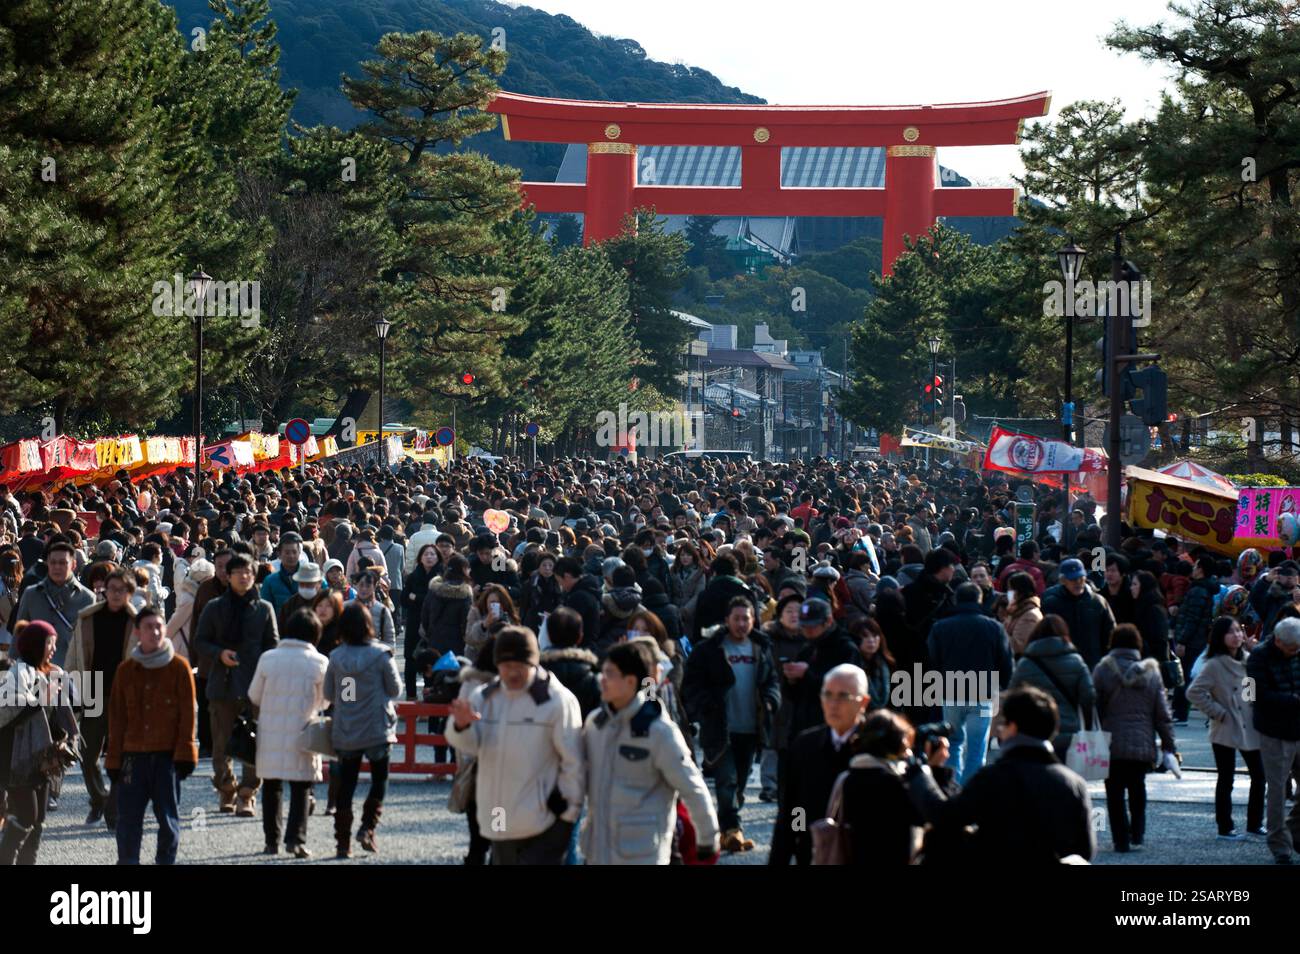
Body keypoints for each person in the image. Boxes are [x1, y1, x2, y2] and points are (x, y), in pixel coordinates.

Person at [446, 626, 584, 865]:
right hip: (498, 815)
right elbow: (471, 747)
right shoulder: (484, 696)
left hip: (541, 818)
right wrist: (461, 726)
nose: (511, 673)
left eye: (519, 666)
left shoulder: (557, 701)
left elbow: (574, 762)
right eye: (505, 666)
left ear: (533, 663)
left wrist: (567, 816)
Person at [920, 686, 1096, 863]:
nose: (997, 730)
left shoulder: (992, 778)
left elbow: (947, 817)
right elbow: (1085, 850)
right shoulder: (1073, 784)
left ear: (1013, 728)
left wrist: (928, 771)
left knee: (939, 838)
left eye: (1002, 724)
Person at [581, 640, 718, 865]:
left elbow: (691, 787)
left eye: (610, 674)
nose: (601, 679)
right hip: (597, 852)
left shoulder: (659, 731)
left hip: (642, 853)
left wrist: (707, 839)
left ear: (631, 681)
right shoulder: (596, 724)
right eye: (602, 672)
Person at [681, 596, 780, 853]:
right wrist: (704, 707)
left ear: (753, 620)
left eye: (746, 618)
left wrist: (770, 701)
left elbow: (772, 682)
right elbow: (691, 684)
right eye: (736, 618)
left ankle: (727, 826)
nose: (741, 623)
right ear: (726, 620)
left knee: (740, 783)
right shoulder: (710, 649)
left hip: (751, 727)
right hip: (720, 727)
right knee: (726, 781)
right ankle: (731, 830)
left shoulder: (761, 647)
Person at [104, 607, 197, 865]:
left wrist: (186, 753)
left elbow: (188, 715)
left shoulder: (179, 667)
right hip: (133, 758)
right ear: (137, 632)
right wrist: (113, 759)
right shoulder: (125, 670)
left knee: (168, 821)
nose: (155, 632)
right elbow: (117, 718)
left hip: (166, 757)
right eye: (148, 627)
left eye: (159, 626)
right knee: (128, 821)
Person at [194, 552, 278, 816]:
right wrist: (219, 653)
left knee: (256, 742)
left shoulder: (264, 608)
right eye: (238, 572)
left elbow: (273, 644)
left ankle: (247, 793)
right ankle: (226, 788)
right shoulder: (215, 607)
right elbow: (200, 641)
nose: (244, 577)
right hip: (222, 682)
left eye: (249, 572)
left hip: (255, 684)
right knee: (220, 743)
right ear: (228, 576)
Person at [248, 608, 329, 858]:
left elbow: (254, 695)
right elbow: (325, 701)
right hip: (304, 731)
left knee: (272, 787)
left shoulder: (268, 658)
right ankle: (296, 839)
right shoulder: (319, 662)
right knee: (301, 787)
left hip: (271, 730)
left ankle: (271, 841)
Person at [324, 602, 402, 858]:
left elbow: (329, 694)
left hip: (347, 727)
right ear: (368, 625)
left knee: (347, 784)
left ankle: (342, 843)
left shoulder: (336, 658)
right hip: (376, 726)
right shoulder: (381, 655)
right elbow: (394, 690)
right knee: (380, 780)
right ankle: (368, 827)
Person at [770, 663, 869, 865]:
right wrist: (796, 840)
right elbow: (792, 809)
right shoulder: (805, 745)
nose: (833, 704)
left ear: (863, 702)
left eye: (843, 696)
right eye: (827, 695)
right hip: (812, 852)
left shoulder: (877, 747)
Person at [1092, 623, 1177, 853]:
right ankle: (1137, 833)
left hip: (1112, 743)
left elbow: (1095, 708)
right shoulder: (1151, 672)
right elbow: (1162, 715)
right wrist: (1170, 745)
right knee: (1138, 789)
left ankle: (1120, 840)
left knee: (1114, 793)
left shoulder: (1103, 669)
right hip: (1142, 743)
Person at [63, 566, 137, 827]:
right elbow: (73, 657)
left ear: (130, 592)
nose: (115, 594)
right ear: (104, 590)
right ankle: (99, 798)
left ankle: (114, 808)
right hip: (92, 688)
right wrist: (70, 691)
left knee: (123, 753)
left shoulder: (138, 622)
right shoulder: (88, 618)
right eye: (111, 589)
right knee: (88, 752)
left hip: (124, 694)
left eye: (121, 590)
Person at [0, 620, 79, 864]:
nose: (53, 649)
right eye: (49, 643)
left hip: (45, 757)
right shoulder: (17, 672)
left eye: (54, 644)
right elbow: (5, 713)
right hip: (17, 757)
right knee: (26, 816)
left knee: (39, 820)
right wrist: (39, 698)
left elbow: (75, 706)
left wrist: (64, 683)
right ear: (36, 645)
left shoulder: (51, 671)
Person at [837, 708, 955, 865]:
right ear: (900, 745)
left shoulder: (847, 778)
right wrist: (936, 771)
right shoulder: (898, 784)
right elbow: (939, 814)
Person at [926, 582, 1014, 784]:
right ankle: (972, 793)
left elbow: (933, 659)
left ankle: (953, 787)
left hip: (951, 691)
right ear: (979, 599)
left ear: (957, 599)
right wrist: (1002, 686)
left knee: (954, 742)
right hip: (984, 693)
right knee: (977, 747)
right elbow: (1005, 661)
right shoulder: (994, 627)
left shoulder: (941, 627)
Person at [1187, 616, 1264, 840]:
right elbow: (1194, 693)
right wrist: (1218, 712)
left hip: (1248, 726)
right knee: (1226, 778)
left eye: (1239, 631)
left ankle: (1255, 823)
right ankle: (1225, 826)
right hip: (1225, 727)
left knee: (1259, 776)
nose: (1237, 635)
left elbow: (1250, 691)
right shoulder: (1213, 664)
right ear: (1221, 637)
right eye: (1231, 632)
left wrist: (1252, 706)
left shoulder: (1248, 660)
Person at [1245, 615, 1300, 864]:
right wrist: (1292, 700)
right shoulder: (1257, 657)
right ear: (1277, 641)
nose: (1295, 652)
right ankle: (1280, 845)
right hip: (1272, 731)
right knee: (1277, 792)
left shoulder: (1296, 648)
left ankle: (1295, 830)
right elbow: (1253, 696)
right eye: (1292, 649)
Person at [1008, 615, 1096, 761]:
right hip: (1068, 731)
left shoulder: (1025, 663)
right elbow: (1088, 696)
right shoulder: (1076, 661)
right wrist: (1087, 727)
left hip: (1033, 732)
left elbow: (1011, 695)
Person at [15, 540, 95, 667]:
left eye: (63, 563)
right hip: (35, 672)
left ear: (73, 565)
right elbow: (19, 633)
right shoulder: (31, 594)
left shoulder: (87, 598)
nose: (57, 567)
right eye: (53, 562)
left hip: (72, 673)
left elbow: (91, 643)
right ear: (47, 564)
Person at [1042, 558, 1115, 669]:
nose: (1078, 583)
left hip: (1093, 665)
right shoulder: (1051, 604)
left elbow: (1110, 632)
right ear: (1063, 580)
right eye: (1073, 579)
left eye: (1081, 578)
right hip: (1061, 666)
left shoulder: (1098, 602)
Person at [1172, 556, 1219, 722]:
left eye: (1196, 565)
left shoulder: (1198, 590)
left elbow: (1192, 617)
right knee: (1188, 674)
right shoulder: (1203, 589)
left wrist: (1183, 641)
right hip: (1197, 639)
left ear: (1201, 569)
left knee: (1184, 675)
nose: (1193, 568)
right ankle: (1180, 711)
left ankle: (1180, 712)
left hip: (1191, 640)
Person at [539, 606, 601, 719]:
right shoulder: (593, 674)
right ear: (580, 637)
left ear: (547, 634)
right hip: (582, 733)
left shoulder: (537, 672)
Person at [348, 569, 395, 647]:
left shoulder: (382, 610)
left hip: (375, 655)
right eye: (361, 585)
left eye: (368, 585)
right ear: (356, 585)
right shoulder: (346, 607)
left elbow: (390, 640)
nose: (364, 589)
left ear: (375, 586)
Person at [259, 531, 304, 615]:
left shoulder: (310, 576)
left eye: (294, 552)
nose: (291, 556)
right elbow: (264, 611)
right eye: (287, 552)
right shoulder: (270, 581)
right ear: (279, 554)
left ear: (299, 553)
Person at [1002, 571, 1043, 658]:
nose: (1008, 592)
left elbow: (1017, 645)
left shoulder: (1030, 615)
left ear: (1019, 591)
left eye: (1010, 589)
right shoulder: (1017, 611)